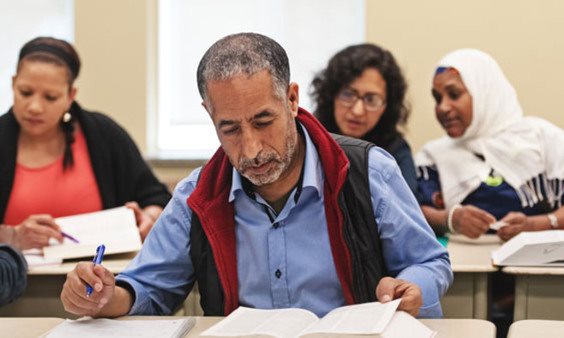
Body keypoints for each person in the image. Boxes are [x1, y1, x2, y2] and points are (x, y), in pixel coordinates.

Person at [60, 33, 452, 319]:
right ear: (208, 113)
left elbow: (431, 262)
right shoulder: (198, 196)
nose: (251, 149)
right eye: (229, 128)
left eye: (263, 120)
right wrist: (105, 298)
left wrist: (412, 286)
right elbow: (147, 287)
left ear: (293, 99)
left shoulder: (368, 172)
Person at [0, 37, 171, 249]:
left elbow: (157, 198)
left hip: (100, 276)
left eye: (50, 97)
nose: (34, 106)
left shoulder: (103, 135)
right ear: (13, 83)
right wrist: (11, 237)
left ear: (71, 96)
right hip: (13, 279)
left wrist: (148, 218)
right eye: (25, 92)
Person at [416, 48, 564, 240]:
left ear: (484, 93)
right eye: (437, 98)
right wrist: (450, 219)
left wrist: (534, 225)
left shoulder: (543, 139)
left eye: (454, 94)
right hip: (462, 264)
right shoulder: (433, 156)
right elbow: (413, 213)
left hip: (542, 262)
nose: (443, 107)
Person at [311, 44, 418, 196]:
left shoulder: (395, 150)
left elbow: (406, 207)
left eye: (371, 99)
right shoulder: (309, 139)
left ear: (386, 106)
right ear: (331, 95)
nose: (358, 111)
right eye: (348, 94)